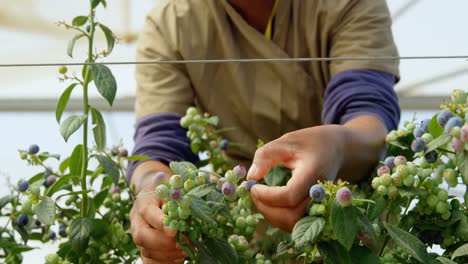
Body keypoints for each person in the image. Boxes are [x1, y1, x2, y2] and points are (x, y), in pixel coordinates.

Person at [128, 0, 401, 263]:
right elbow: (158, 148)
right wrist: (151, 190)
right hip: (247, 241)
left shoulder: (346, 4)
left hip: (348, 233)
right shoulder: (172, 23)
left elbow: (370, 121)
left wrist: (338, 146)